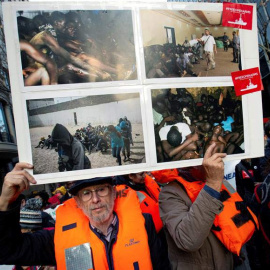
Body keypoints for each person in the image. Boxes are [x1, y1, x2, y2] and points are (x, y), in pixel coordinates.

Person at [0, 163, 170, 270]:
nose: (95, 199)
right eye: (86, 193)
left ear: (113, 193)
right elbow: (8, 251)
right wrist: (6, 202)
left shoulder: (143, 224)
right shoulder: (57, 238)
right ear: (78, 202)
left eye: (101, 190)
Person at [158, 143, 258, 270]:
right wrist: (212, 185)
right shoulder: (170, 193)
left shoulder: (221, 182)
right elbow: (188, 241)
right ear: (185, 166)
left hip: (235, 261)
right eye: (191, 156)